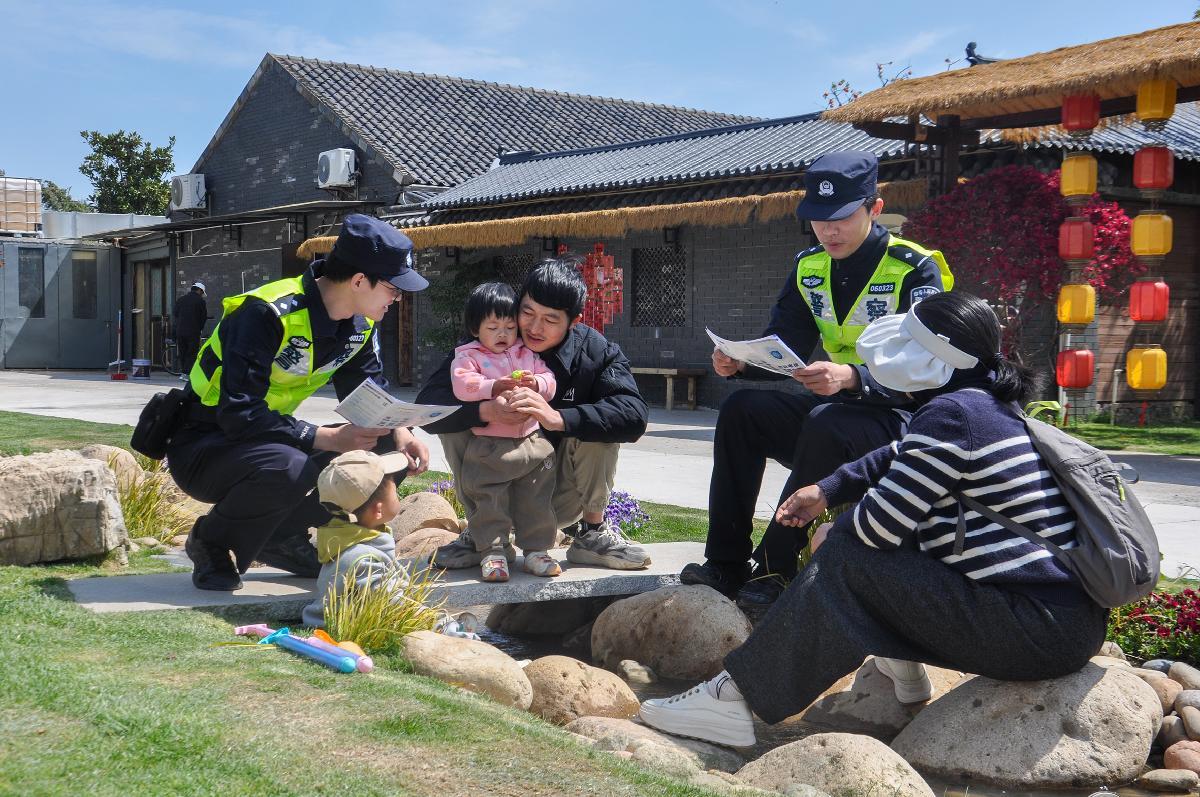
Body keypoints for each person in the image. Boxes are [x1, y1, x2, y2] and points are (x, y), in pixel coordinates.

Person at [639, 292, 1107, 748]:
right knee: (863, 550)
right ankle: (902, 671)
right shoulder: (985, 405)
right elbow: (902, 452)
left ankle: (732, 697)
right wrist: (829, 489)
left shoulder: (955, 414)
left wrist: (833, 530)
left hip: (1036, 629)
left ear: (933, 360)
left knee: (847, 553)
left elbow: (881, 528)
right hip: (1057, 623)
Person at [681, 150, 953, 612]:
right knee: (742, 410)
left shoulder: (915, 268)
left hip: (901, 421)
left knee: (827, 420)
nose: (829, 230)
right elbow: (785, 342)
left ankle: (774, 568)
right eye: (819, 219)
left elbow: (932, 371)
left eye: (842, 217)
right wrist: (740, 362)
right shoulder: (809, 266)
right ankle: (725, 563)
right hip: (835, 411)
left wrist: (854, 378)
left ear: (875, 208)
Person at [166, 214, 431, 591]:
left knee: (387, 449)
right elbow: (240, 414)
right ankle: (211, 541)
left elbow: (367, 390)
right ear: (359, 281)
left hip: (264, 439)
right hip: (205, 445)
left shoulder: (359, 323)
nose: (399, 298)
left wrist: (401, 432)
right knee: (290, 467)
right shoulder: (266, 313)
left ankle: (279, 537)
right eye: (394, 288)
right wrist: (330, 438)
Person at [417, 258, 651, 571]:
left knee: (600, 427)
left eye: (550, 319)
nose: (534, 328)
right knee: (455, 421)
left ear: (574, 321)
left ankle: (592, 534)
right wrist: (486, 410)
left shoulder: (595, 352)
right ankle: (481, 534)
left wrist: (559, 419)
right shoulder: (484, 346)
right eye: (527, 312)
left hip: (555, 493)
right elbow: (428, 406)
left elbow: (633, 415)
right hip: (489, 482)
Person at [449, 281, 560, 582]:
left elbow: (549, 378)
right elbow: (463, 385)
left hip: (531, 441)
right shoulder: (469, 356)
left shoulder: (526, 354)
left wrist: (537, 384)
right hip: (490, 444)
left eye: (510, 327)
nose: (503, 334)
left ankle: (536, 550)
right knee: (489, 499)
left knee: (536, 498)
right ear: (475, 328)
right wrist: (492, 387)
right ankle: (493, 551)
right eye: (493, 327)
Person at [301, 449, 409, 628]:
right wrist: (444, 625)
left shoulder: (345, 540)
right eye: (395, 491)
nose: (397, 495)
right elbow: (396, 606)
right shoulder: (363, 559)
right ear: (378, 510)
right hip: (350, 630)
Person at [173, 281, 209, 380]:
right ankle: (186, 373)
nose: (202, 294)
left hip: (180, 330)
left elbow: (175, 313)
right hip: (193, 331)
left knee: (183, 352)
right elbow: (203, 317)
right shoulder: (200, 301)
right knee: (192, 352)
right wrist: (200, 328)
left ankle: (183, 373)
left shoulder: (181, 300)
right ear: (199, 290)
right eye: (202, 292)